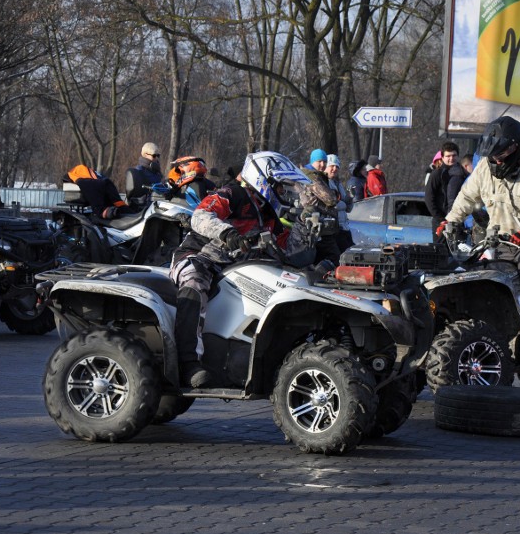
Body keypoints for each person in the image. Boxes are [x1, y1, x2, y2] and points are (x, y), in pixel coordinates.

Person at [169, 151, 313, 387]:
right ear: (263, 181)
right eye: (279, 186)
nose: (283, 192)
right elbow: (200, 216)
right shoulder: (232, 193)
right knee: (194, 280)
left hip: (235, 266)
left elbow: (290, 253)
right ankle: (188, 363)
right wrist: (227, 232)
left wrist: (306, 222)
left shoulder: (268, 212)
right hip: (199, 256)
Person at [444, 115, 520, 362]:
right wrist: (451, 221)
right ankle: (498, 345)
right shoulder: (484, 170)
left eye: (500, 155)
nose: (496, 160)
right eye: (492, 156)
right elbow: (467, 197)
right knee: (493, 293)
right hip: (498, 244)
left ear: (515, 148)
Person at [425, 142, 467, 238]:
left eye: (454, 155)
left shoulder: (462, 173)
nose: (451, 158)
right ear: (442, 158)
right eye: (448, 156)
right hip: (441, 222)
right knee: (441, 251)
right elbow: (429, 198)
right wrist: (440, 219)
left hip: (458, 220)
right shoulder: (436, 174)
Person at [64, 164, 133, 219]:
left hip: (100, 184)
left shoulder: (80, 174)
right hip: (98, 185)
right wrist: (100, 210)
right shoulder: (79, 175)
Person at [325, 154, 354, 252]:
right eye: (331, 166)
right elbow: (333, 204)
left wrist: (350, 197)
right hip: (335, 229)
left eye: (337, 166)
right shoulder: (324, 183)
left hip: (344, 227)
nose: (334, 169)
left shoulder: (338, 183)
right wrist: (344, 204)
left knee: (351, 252)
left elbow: (348, 209)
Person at [125, 142, 164, 207]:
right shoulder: (139, 172)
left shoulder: (157, 172)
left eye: (158, 155)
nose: (156, 158)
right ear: (145, 155)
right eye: (154, 156)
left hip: (158, 202)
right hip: (146, 206)